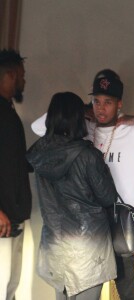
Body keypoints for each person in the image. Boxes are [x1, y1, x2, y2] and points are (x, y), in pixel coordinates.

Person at [31, 71, 134, 300]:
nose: (100, 108)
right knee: (91, 288)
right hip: (88, 225)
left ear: (119, 104)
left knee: (127, 290)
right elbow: (39, 127)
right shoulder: (82, 129)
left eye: (108, 102)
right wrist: (78, 109)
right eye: (96, 101)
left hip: (119, 224)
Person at [26, 92, 118, 300]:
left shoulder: (39, 152)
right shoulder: (88, 155)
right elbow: (108, 197)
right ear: (78, 118)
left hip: (56, 243)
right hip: (88, 246)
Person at [0, 49, 32, 300]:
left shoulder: (9, 113)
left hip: (14, 215)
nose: (24, 81)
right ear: (9, 75)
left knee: (11, 286)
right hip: (3, 218)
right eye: (21, 75)